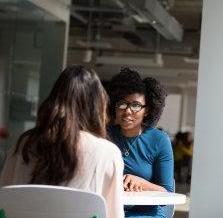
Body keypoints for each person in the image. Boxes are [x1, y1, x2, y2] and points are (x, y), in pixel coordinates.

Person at [0, 65, 124, 218]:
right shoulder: (107, 153)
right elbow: (114, 215)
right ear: (97, 106)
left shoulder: (23, 144)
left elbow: (3, 202)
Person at [107, 68, 174, 218]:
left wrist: (141, 183)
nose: (127, 111)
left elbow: (167, 194)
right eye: (122, 104)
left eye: (136, 105)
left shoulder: (159, 140)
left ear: (147, 110)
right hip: (108, 211)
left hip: (145, 214)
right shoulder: (105, 135)